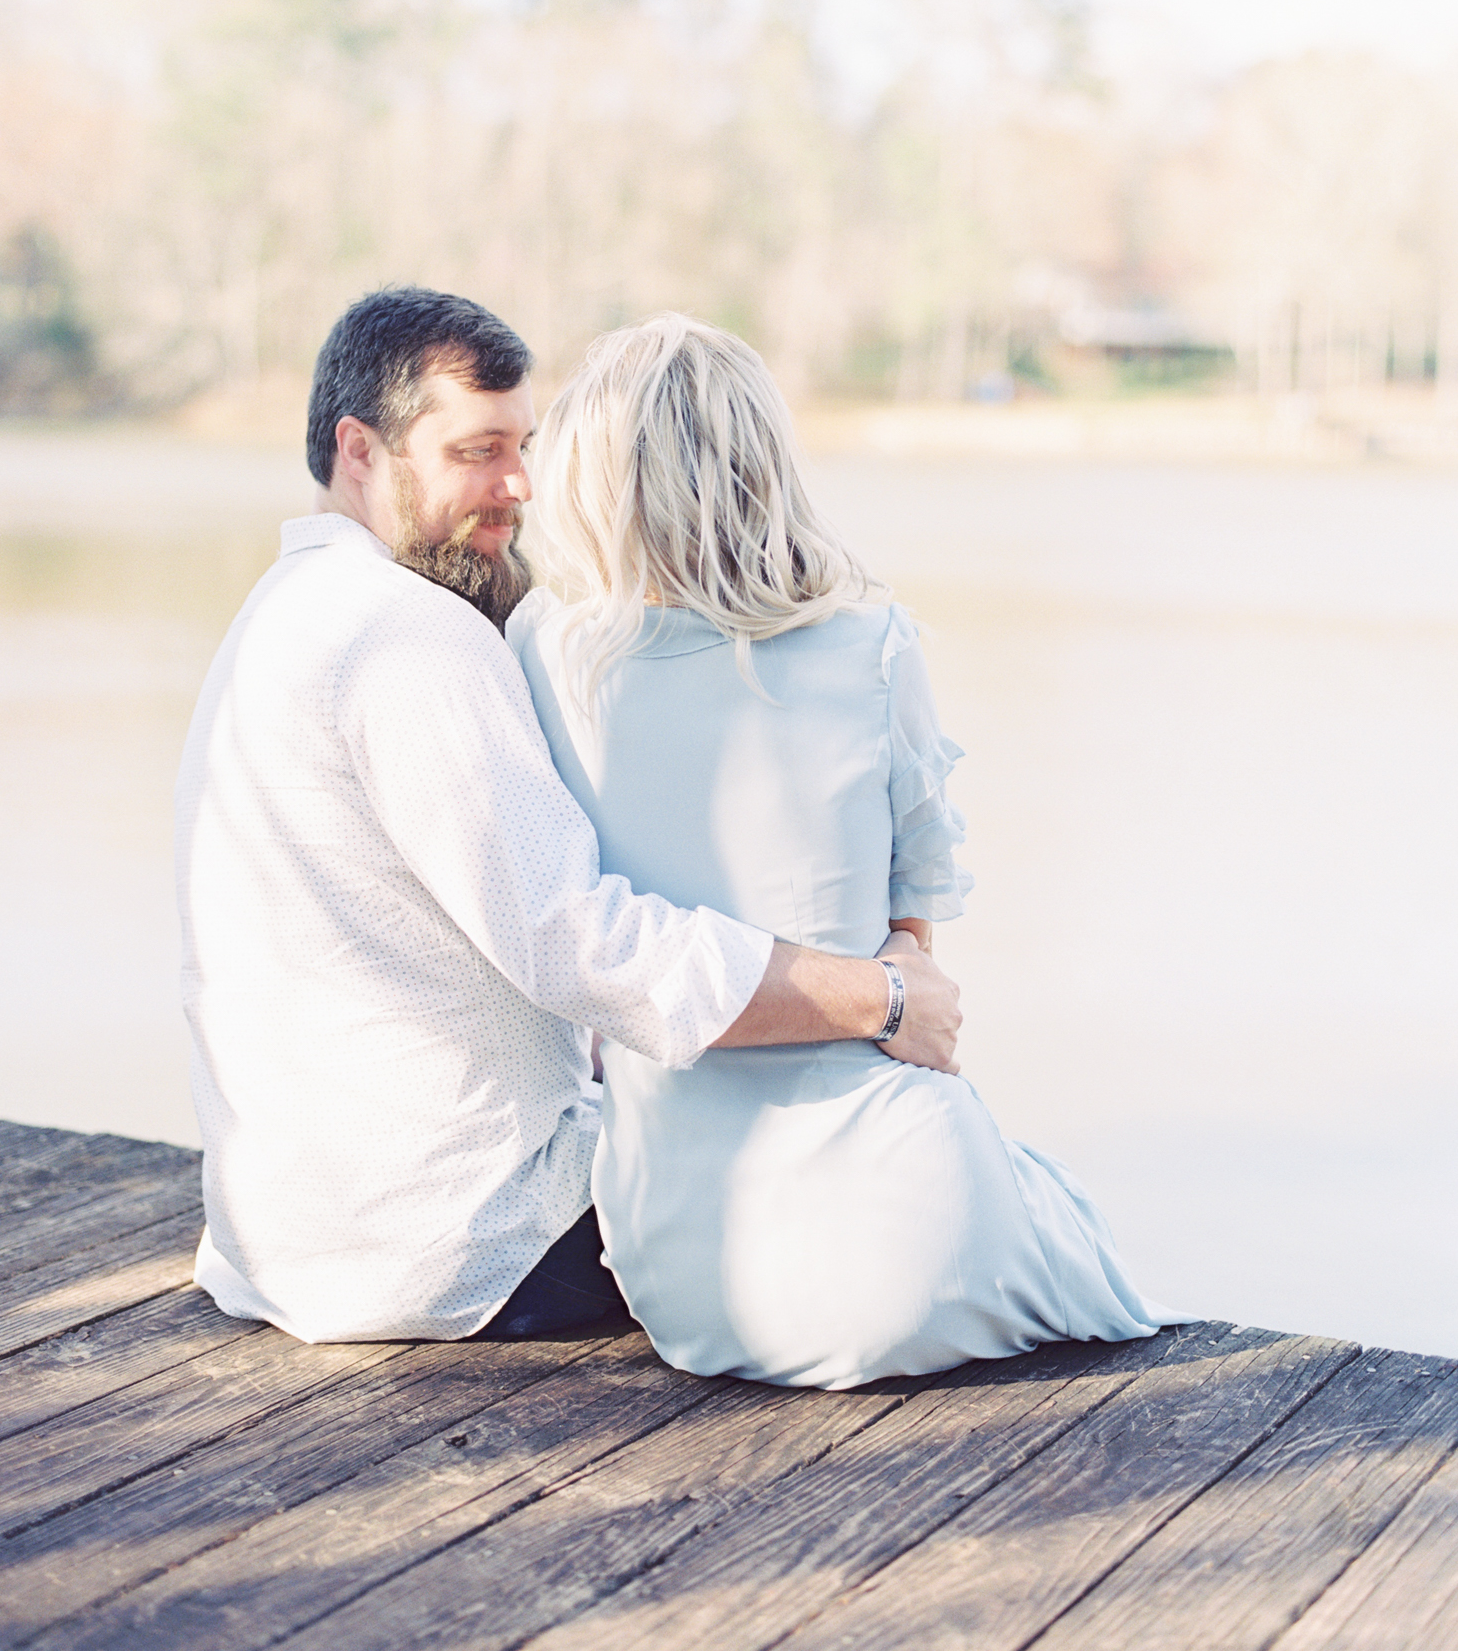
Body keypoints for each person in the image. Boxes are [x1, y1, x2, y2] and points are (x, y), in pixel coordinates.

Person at [175, 286, 963, 1345]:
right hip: (467, 1245)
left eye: (526, 446)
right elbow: (578, 941)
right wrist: (879, 994)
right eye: (477, 450)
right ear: (359, 450)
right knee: (842, 1221)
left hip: (287, 1239)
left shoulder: (278, 615)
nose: (519, 485)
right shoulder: (410, 637)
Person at [509, 314, 1189, 1388]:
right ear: (762, 462)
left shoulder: (545, 651)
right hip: (915, 1232)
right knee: (1069, 1220)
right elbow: (915, 935)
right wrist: (885, 985)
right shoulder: (873, 645)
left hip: (691, 1274)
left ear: (592, 475)